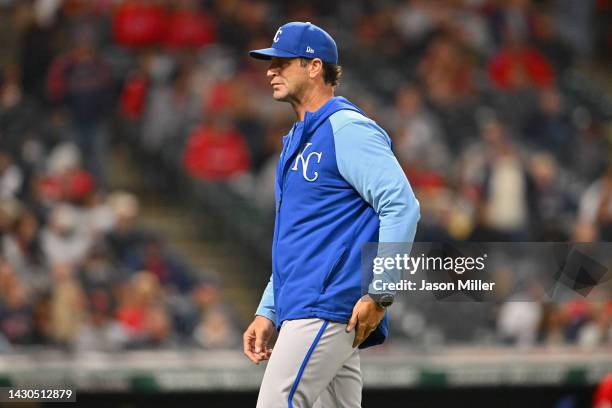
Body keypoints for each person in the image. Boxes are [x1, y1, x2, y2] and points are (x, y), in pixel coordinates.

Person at [242, 22, 420, 407]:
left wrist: (381, 291)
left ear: (314, 66)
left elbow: (402, 206)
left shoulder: (346, 128)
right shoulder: (295, 141)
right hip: (309, 302)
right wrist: (269, 308)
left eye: (283, 62)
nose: (271, 70)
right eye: (270, 63)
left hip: (327, 301)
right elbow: (297, 238)